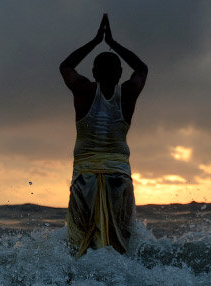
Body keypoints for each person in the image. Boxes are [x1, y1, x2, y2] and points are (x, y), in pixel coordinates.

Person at [59, 14, 148, 256]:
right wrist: (113, 42)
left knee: (79, 243)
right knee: (122, 242)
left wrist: (96, 40)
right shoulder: (127, 93)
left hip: (85, 177)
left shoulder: (84, 90)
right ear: (120, 73)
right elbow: (141, 68)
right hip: (119, 176)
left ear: (94, 72)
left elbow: (66, 66)